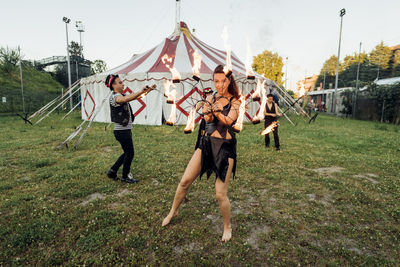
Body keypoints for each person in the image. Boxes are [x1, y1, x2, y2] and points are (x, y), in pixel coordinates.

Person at [162, 65, 241, 242]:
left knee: (220, 193)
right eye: (216, 81)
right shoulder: (211, 97)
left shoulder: (236, 100)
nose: (220, 85)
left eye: (223, 81)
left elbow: (229, 120)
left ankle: (227, 226)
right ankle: (173, 210)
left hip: (224, 149)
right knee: (184, 182)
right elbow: (207, 120)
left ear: (230, 80)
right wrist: (206, 113)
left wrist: (215, 110)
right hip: (205, 145)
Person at [105, 74, 154, 183]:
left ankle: (112, 171)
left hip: (125, 130)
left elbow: (137, 97)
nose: (123, 84)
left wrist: (148, 91)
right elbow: (125, 99)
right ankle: (125, 176)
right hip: (121, 132)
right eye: (120, 82)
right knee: (130, 153)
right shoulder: (114, 97)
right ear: (113, 85)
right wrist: (141, 91)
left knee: (127, 152)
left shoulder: (122, 95)